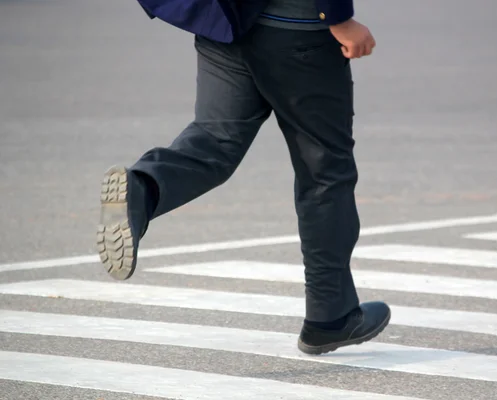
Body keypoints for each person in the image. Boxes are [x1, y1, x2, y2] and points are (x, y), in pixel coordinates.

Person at [97, 0, 391, 355]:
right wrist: (339, 17)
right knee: (325, 170)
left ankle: (142, 189)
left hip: (224, 22)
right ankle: (330, 317)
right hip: (296, 29)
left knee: (214, 141)